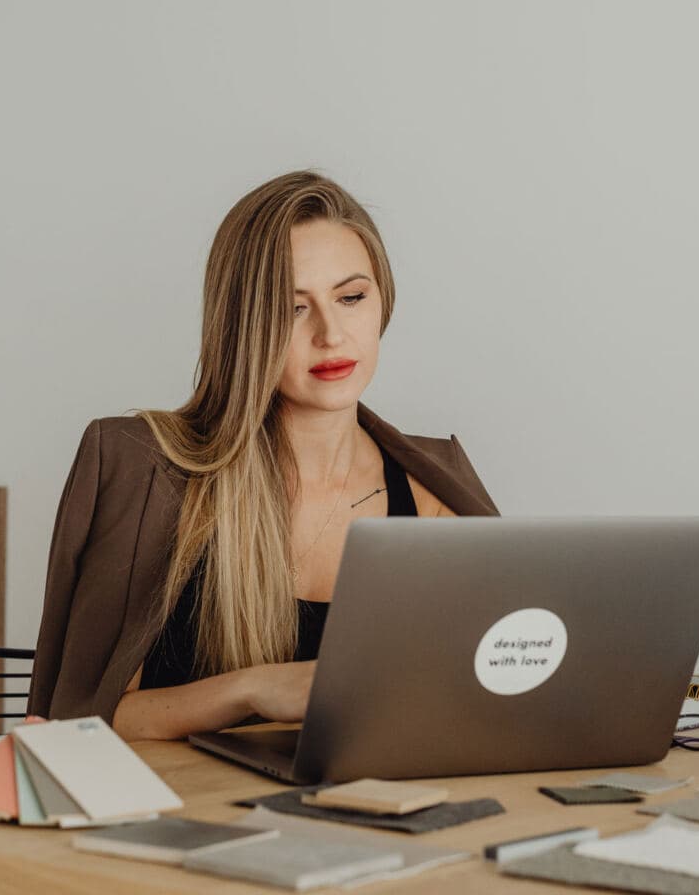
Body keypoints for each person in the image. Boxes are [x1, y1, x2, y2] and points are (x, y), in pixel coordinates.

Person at [27, 170, 500, 740]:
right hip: (180, 821)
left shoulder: (436, 490)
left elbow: (497, 693)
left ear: (383, 304)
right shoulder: (144, 468)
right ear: (242, 324)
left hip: (375, 815)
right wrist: (252, 689)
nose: (331, 333)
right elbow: (77, 723)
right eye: (293, 308)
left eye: (351, 297)